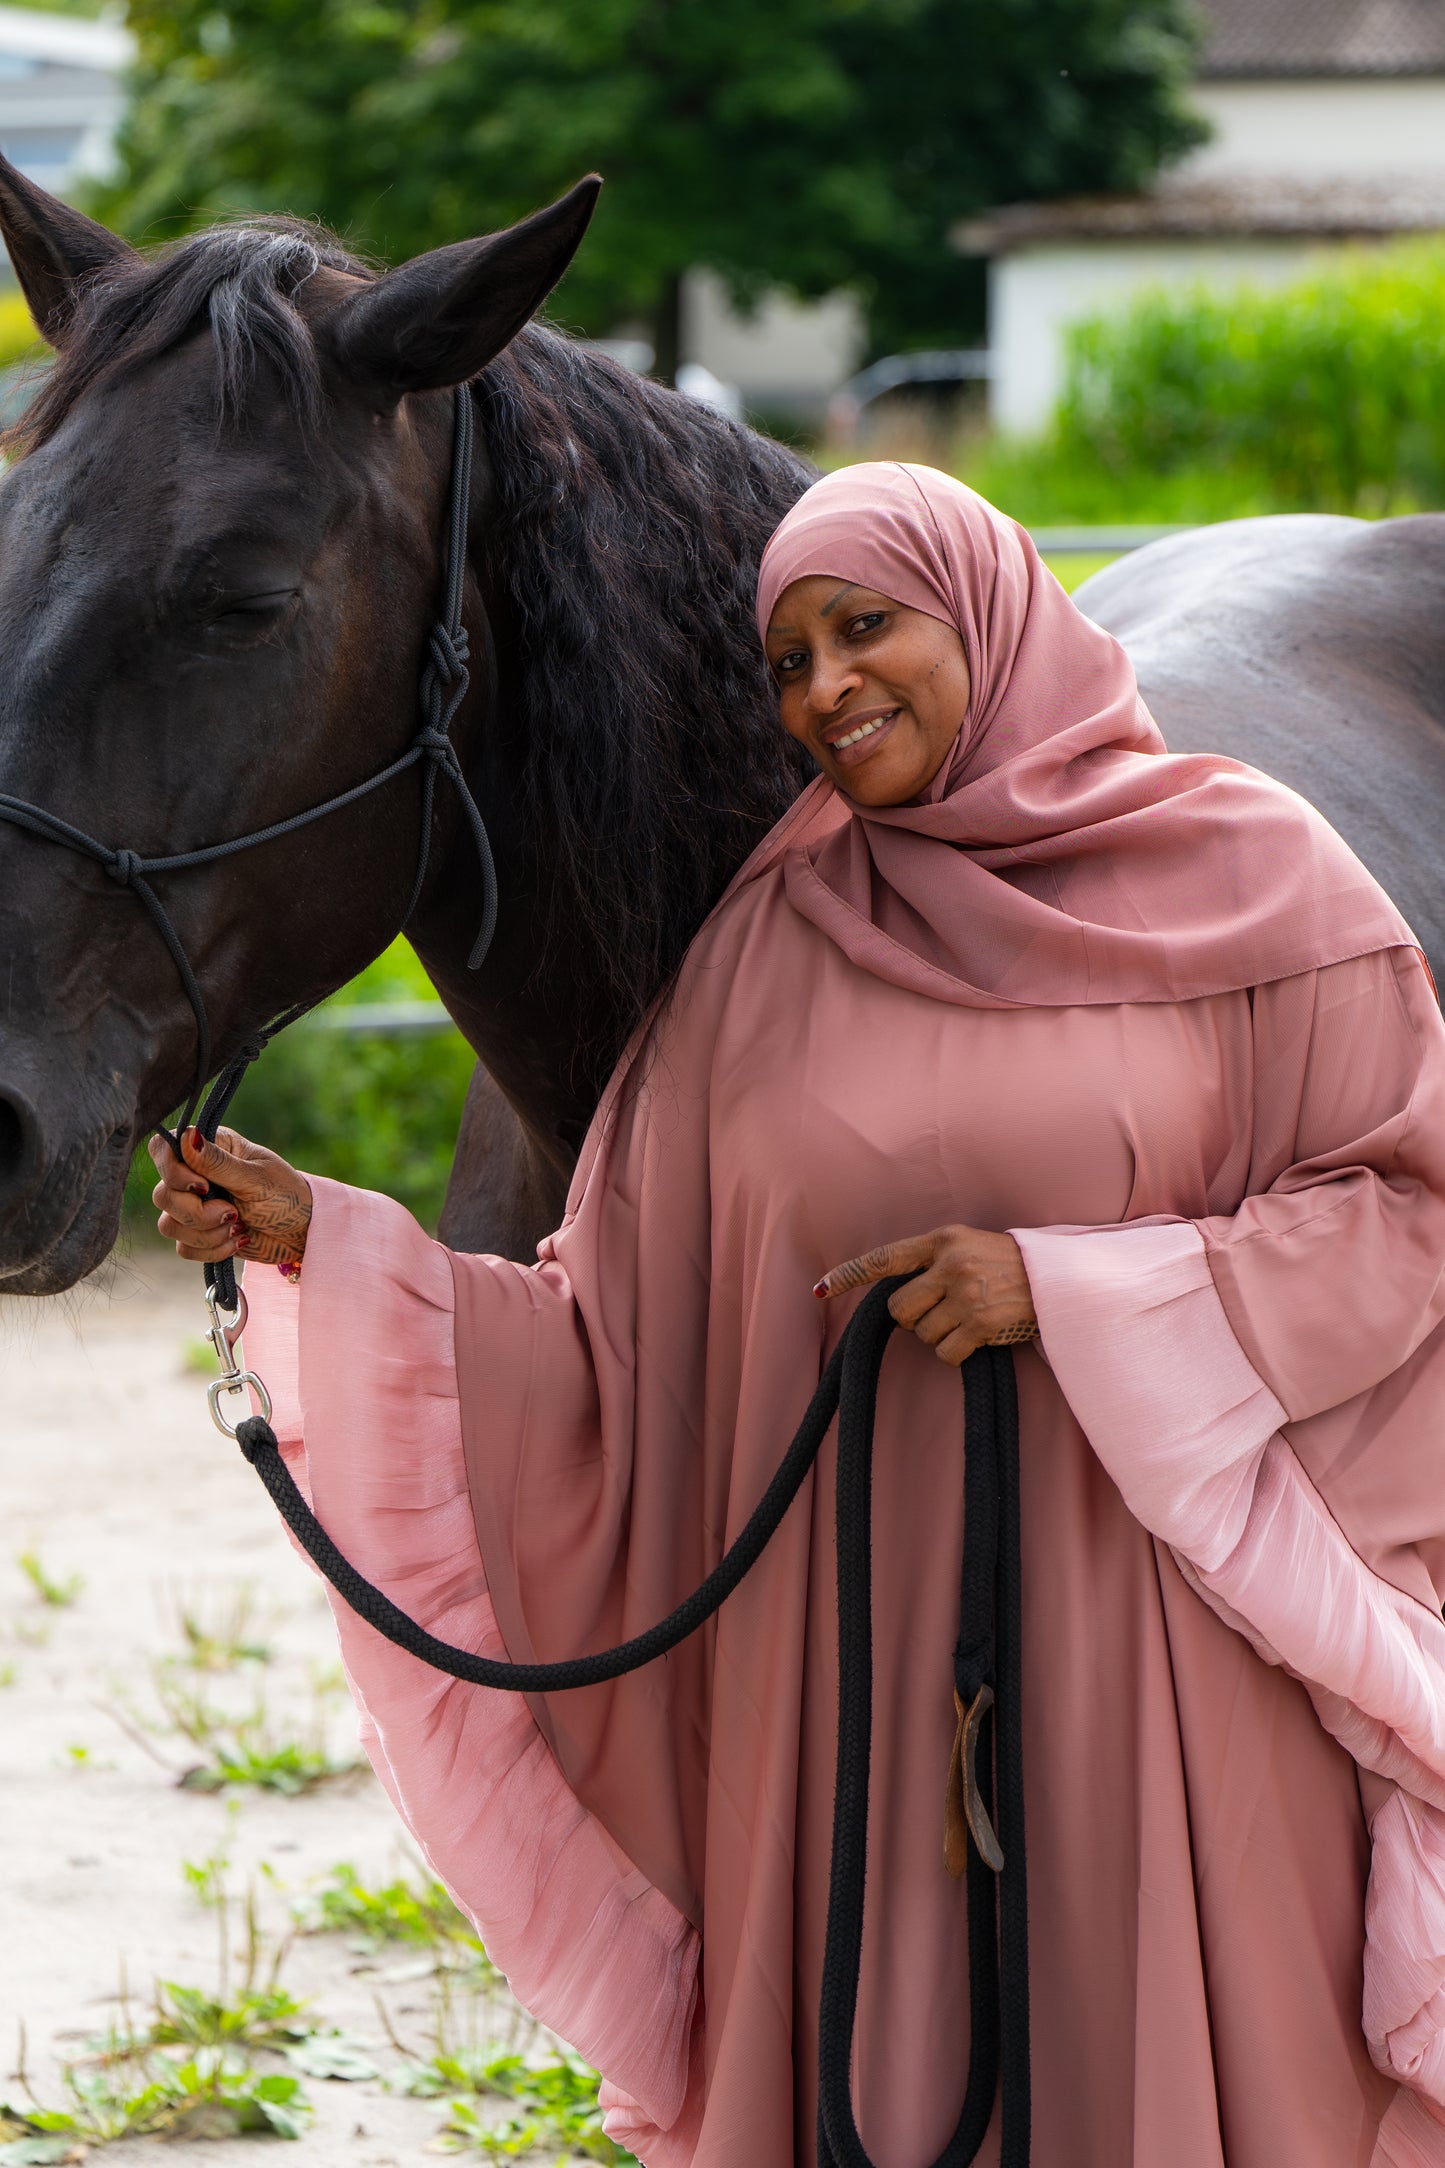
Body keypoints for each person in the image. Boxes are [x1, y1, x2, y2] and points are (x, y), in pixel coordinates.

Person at [151, 462, 1445, 2168]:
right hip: (854, 1692)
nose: (824, 688)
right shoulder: (765, 949)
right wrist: (333, 1237)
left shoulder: (1253, 881)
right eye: (785, 660)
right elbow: (612, 1335)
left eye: (864, 627)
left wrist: (1065, 1291)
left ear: (984, 613)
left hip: (1179, 1683)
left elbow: (1402, 1217)